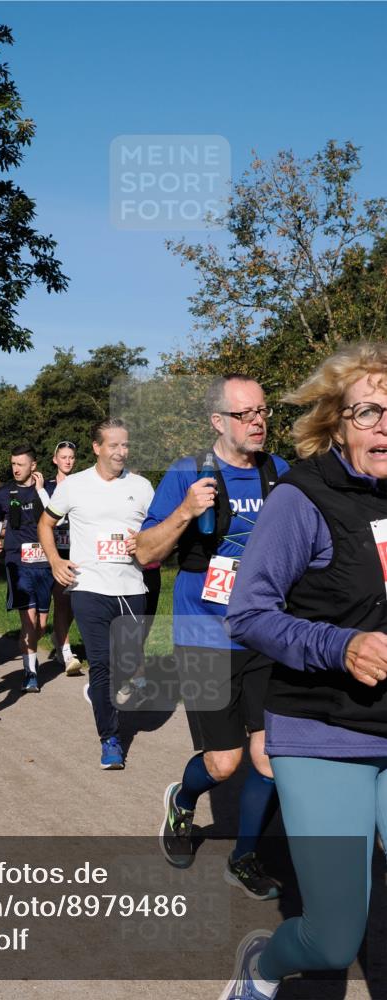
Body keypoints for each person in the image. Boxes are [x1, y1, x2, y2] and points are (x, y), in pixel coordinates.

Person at [217, 342, 386, 1000]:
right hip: (323, 732)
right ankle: (262, 965)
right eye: (367, 410)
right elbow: (249, 614)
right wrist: (341, 647)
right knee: (334, 938)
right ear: (336, 420)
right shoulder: (301, 498)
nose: (383, 426)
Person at [132, 375, 289, 898]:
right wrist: (184, 512)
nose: (258, 421)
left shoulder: (280, 474)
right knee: (225, 763)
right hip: (203, 635)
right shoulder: (187, 473)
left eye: (262, 411)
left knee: (270, 756)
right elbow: (145, 552)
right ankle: (183, 799)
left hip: (266, 634)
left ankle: (243, 856)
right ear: (218, 422)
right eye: (245, 414)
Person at [39, 419, 154, 769]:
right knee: (102, 662)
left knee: (127, 663)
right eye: (114, 445)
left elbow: (160, 531)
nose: (121, 451)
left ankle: (100, 693)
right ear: (97, 447)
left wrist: (148, 543)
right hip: (88, 587)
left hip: (133, 587)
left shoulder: (142, 486)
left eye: (126, 445)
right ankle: (110, 739)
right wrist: (56, 561)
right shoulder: (74, 486)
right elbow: (46, 524)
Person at [0, 445, 54, 693]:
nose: (16, 468)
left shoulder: (47, 489)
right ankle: (30, 672)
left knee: (40, 624)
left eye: (20, 464)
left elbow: (56, 516)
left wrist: (40, 492)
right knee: (28, 620)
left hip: (44, 560)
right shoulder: (4, 492)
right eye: (13, 464)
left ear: (33, 466)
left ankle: (29, 651)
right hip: (17, 561)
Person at [43, 440, 82, 676]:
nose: (68, 461)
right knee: (60, 597)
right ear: (55, 460)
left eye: (71, 457)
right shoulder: (45, 486)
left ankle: (60, 642)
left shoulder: (82, 484)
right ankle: (66, 651)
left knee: (73, 601)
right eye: (63, 457)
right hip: (51, 550)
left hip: (76, 549)